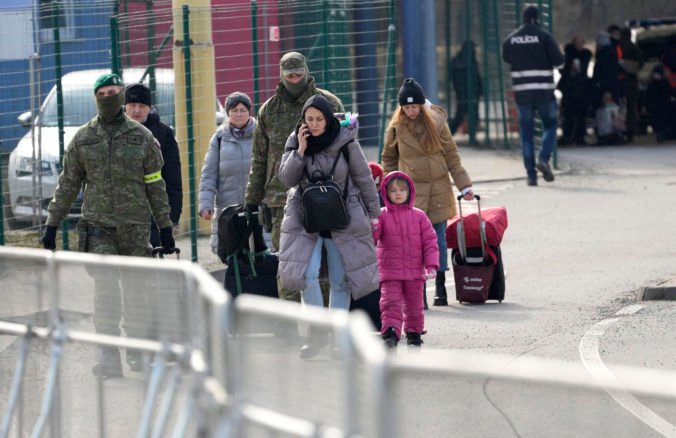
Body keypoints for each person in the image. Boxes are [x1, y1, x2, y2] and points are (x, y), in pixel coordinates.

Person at [41, 73, 175, 378]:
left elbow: (155, 184)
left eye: (114, 92)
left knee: (136, 293)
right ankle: (108, 355)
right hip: (98, 227)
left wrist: (165, 227)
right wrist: (52, 224)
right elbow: (67, 184)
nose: (108, 97)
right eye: (102, 92)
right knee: (106, 293)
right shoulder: (83, 139)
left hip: (135, 229)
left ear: (122, 95)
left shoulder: (141, 138)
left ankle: (137, 351)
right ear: (95, 97)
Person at [277, 95, 380, 358]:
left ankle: (337, 338)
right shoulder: (295, 140)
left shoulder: (346, 142)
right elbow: (286, 179)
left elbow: (364, 178)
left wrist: (374, 213)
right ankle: (317, 334)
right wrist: (300, 150)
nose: (313, 124)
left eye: (318, 119)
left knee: (340, 282)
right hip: (305, 220)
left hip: (342, 219)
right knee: (306, 276)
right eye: (309, 119)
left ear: (329, 118)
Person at [244, 51, 343, 303]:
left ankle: (322, 328)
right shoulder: (269, 111)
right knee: (289, 267)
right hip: (281, 201)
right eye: (290, 75)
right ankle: (292, 328)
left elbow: (347, 150)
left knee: (320, 269)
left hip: (324, 199)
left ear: (306, 71)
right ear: (281, 75)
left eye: (299, 74)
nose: (295, 79)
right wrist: (252, 200)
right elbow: (259, 159)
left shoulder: (329, 104)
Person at [381, 77, 474, 309]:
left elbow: (452, 154)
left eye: (415, 106)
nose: (411, 111)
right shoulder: (396, 128)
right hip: (410, 192)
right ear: (401, 107)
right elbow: (389, 159)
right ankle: (418, 290)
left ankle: (440, 286)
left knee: (438, 240)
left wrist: (465, 185)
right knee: (412, 243)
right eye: (407, 107)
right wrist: (388, 189)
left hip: (438, 189)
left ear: (422, 104)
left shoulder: (437, 123)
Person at [373, 171, 438, 349]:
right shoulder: (381, 215)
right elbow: (373, 238)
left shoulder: (419, 216)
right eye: (393, 190)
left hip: (414, 272)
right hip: (390, 271)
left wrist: (431, 264)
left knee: (415, 306)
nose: (398, 193)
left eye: (402, 189)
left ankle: (414, 334)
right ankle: (390, 334)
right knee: (390, 303)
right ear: (386, 193)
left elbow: (430, 242)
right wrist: (373, 225)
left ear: (410, 192)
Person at [502, 4, 564, 186]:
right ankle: (544, 159)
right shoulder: (545, 37)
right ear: (538, 18)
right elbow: (559, 63)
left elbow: (506, 58)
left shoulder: (511, 39)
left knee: (527, 135)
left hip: (522, 94)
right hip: (544, 92)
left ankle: (531, 176)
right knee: (551, 125)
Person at [124, 83, 182, 244]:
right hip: (118, 219)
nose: (136, 110)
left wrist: (172, 217)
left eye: (142, 106)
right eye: (132, 105)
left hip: (152, 219)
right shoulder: (112, 132)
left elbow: (173, 177)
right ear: (124, 106)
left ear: (149, 108)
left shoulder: (163, 134)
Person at [199, 92, 256, 254]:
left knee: (258, 253)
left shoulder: (260, 135)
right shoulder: (219, 138)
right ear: (228, 112)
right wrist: (205, 204)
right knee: (229, 254)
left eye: (242, 110)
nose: (238, 114)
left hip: (256, 207)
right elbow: (209, 174)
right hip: (227, 210)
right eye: (234, 110)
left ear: (249, 112)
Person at [557, 35, 592, 145]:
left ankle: (579, 136)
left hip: (581, 88)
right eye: (577, 42)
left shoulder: (585, 55)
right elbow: (563, 70)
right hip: (570, 88)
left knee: (581, 114)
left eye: (581, 42)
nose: (579, 45)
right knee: (568, 114)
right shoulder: (568, 56)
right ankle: (568, 135)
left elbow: (584, 70)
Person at [450, 40, 483, 135]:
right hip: (471, 92)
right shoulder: (470, 61)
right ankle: (448, 135)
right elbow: (476, 77)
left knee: (461, 115)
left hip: (464, 92)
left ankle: (448, 135)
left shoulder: (457, 60)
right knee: (470, 115)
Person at [618, 27, 643, 142]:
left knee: (620, 107)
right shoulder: (633, 47)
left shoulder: (618, 47)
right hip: (631, 81)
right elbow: (641, 62)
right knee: (632, 107)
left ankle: (620, 130)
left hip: (619, 81)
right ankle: (631, 131)